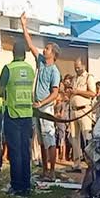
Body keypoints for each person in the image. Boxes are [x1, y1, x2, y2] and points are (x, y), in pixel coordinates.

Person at [19, 13, 61, 181]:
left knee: (50, 139)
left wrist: (42, 103)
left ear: (54, 54)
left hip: (45, 107)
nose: (45, 50)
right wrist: (24, 26)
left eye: (48, 49)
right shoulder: (41, 61)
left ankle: (52, 170)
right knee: (42, 141)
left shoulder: (54, 71)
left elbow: (55, 93)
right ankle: (44, 169)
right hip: (37, 106)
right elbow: (30, 46)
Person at [0, 39, 35, 196]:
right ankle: (26, 185)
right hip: (27, 115)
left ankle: (17, 186)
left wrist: (7, 93)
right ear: (25, 54)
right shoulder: (30, 69)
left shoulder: (8, 69)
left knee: (15, 151)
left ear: (13, 53)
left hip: (12, 114)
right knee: (25, 151)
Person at [69, 58, 97, 172]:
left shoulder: (88, 77)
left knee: (86, 136)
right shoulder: (74, 78)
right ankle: (77, 164)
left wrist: (78, 92)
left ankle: (91, 162)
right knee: (74, 137)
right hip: (73, 110)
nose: (76, 69)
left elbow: (92, 93)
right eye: (75, 67)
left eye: (78, 67)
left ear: (84, 66)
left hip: (84, 110)